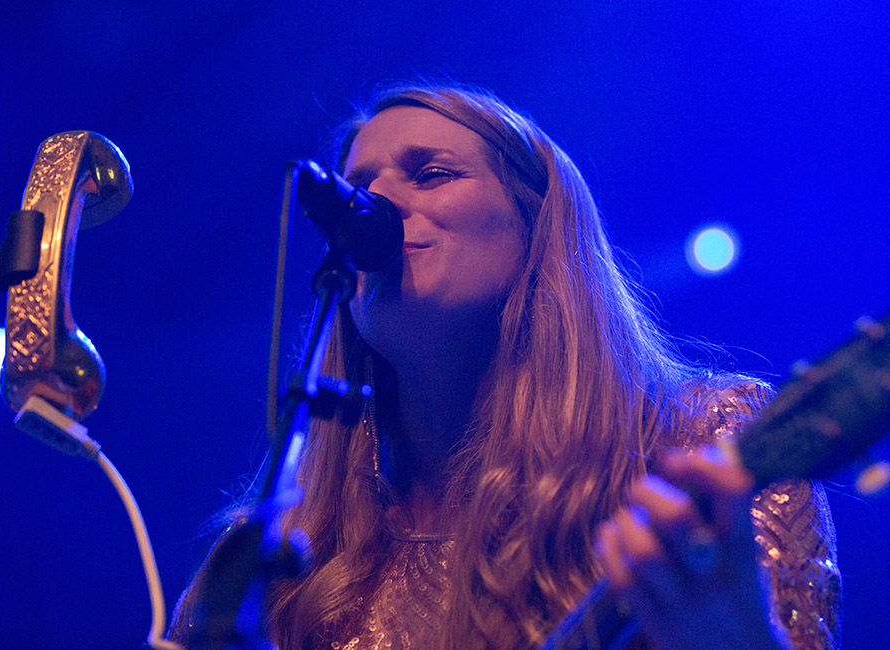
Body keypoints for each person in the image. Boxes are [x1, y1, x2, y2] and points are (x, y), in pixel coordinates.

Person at [169, 84, 841, 650]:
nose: (375, 204)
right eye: (358, 187)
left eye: (430, 173)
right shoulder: (275, 558)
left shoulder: (704, 444)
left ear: (535, 225)